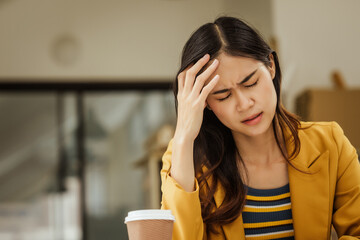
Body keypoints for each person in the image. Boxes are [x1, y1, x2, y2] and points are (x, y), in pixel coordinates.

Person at [160, 16, 360, 240]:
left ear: (271, 66)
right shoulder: (184, 159)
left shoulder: (330, 143)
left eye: (251, 83)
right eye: (223, 95)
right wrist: (184, 137)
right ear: (205, 102)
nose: (244, 104)